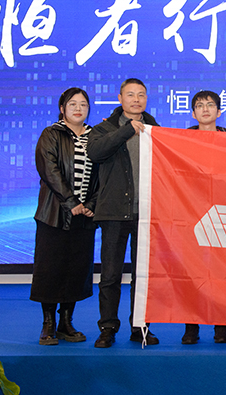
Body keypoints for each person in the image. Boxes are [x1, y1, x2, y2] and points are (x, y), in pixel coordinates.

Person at [88, 78, 161, 348]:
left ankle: (140, 326)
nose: (136, 99)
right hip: (113, 212)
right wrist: (126, 131)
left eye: (141, 94)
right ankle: (107, 327)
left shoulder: (156, 130)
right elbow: (95, 153)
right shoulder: (104, 129)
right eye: (130, 94)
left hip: (147, 214)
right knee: (110, 275)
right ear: (120, 98)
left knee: (143, 276)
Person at [31, 87, 98, 345]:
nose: (78, 108)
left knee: (76, 270)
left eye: (83, 104)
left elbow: (102, 174)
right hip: (54, 213)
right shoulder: (51, 134)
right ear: (62, 108)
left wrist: (90, 203)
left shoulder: (95, 137)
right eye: (72, 104)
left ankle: (66, 322)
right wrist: (71, 202)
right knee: (51, 268)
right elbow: (49, 170)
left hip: (84, 216)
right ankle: (47, 324)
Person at [182, 90, 226, 345]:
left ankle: (221, 324)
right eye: (200, 106)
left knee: (220, 270)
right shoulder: (181, 140)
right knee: (192, 270)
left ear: (219, 111)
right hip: (190, 210)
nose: (205, 109)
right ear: (193, 113)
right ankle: (191, 325)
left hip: (221, 211)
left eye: (210, 105)